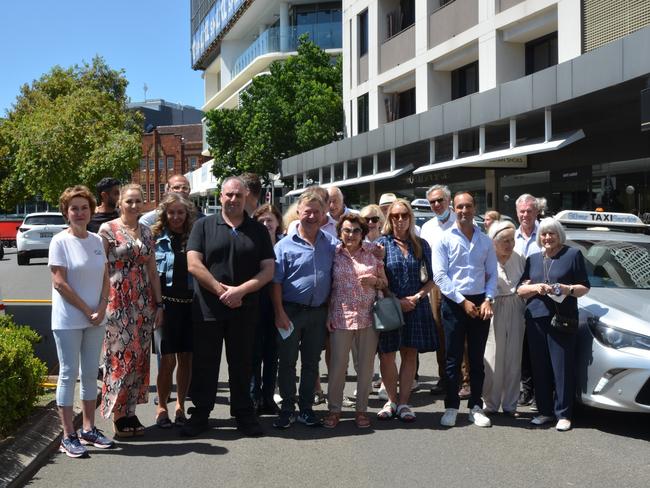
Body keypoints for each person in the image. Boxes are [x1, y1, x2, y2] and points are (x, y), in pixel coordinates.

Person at [183, 176, 275, 437]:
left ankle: (245, 414)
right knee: (205, 364)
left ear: (246, 197)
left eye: (238, 195)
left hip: (244, 309)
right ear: (220, 196)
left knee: (243, 364)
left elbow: (268, 270)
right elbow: (193, 263)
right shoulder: (203, 226)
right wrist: (219, 289)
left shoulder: (257, 230)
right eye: (229, 195)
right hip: (208, 309)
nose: (233, 199)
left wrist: (240, 291)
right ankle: (200, 414)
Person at [50, 185, 114, 457]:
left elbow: (104, 276)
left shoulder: (97, 241)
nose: (79, 212)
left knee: (90, 374)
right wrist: (87, 310)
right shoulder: (59, 241)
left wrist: (101, 307)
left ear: (91, 211)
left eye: (84, 207)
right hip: (68, 320)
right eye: (74, 208)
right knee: (68, 374)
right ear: (66, 212)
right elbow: (59, 282)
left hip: (96, 318)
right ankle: (68, 436)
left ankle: (89, 429)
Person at [98, 184, 163, 437]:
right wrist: (102, 301)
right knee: (119, 359)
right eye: (129, 202)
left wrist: (159, 304)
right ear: (120, 203)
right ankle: (117, 414)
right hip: (117, 301)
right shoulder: (108, 229)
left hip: (143, 303)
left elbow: (153, 272)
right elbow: (101, 268)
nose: (134, 206)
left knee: (138, 359)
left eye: (138, 201)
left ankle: (131, 410)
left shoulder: (147, 232)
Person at [271, 190, 338, 429]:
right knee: (287, 362)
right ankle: (287, 409)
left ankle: (306, 409)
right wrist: (279, 312)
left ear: (323, 215)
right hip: (290, 312)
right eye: (307, 211)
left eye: (316, 212)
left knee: (311, 363)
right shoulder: (283, 246)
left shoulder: (331, 243)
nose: (311, 216)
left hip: (318, 313)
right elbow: (276, 282)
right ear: (298, 212)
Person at [517, 218, 590, 431]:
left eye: (552, 234)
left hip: (562, 319)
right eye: (543, 234)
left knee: (562, 367)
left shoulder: (572, 255)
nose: (547, 238)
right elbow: (520, 290)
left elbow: (584, 287)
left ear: (559, 235)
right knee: (539, 366)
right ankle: (545, 411)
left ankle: (564, 414)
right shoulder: (532, 259)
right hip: (536, 319)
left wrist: (566, 289)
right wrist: (536, 287)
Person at [432, 191, 497, 428]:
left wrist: (488, 299)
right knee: (452, 358)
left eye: (467, 206)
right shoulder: (445, 239)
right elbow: (440, 276)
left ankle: (475, 407)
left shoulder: (485, 241)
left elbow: (492, 274)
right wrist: (462, 301)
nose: (463, 211)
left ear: (474, 208)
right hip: (453, 303)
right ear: (453, 208)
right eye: (459, 207)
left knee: (477, 360)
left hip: (481, 302)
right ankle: (451, 406)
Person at [322, 214, 388, 429]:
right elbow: (327, 287)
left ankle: (361, 410)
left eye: (356, 231)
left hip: (368, 317)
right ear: (340, 232)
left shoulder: (372, 254)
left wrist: (374, 281)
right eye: (347, 230)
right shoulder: (332, 254)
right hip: (340, 317)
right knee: (338, 367)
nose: (351, 235)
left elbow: (384, 283)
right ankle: (334, 410)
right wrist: (328, 314)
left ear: (363, 233)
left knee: (366, 368)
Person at [376, 199, 437, 422]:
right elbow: (379, 280)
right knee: (387, 355)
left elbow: (432, 279)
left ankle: (403, 403)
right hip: (391, 307)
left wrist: (418, 297)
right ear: (389, 219)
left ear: (410, 218)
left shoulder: (421, 245)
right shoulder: (381, 245)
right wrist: (396, 299)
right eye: (395, 216)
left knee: (409, 354)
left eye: (404, 215)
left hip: (416, 306)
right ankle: (391, 401)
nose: (400, 220)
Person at [151, 193, 196, 428]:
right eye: (172, 212)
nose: (176, 217)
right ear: (165, 214)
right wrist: (156, 306)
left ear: (187, 213)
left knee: (186, 359)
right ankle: (161, 406)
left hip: (190, 307)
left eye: (180, 212)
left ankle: (180, 405)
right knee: (167, 361)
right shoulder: (155, 237)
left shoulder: (196, 237)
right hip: (165, 307)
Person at [482, 221, 526, 416]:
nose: (510, 245)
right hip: (495, 306)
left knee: (513, 357)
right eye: (505, 241)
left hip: (516, 305)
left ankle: (510, 404)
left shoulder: (519, 258)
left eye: (512, 240)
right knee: (493, 356)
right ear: (494, 242)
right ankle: (490, 403)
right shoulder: (487, 258)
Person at [420, 184, 457, 396]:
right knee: (441, 333)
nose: (436, 205)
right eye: (432, 202)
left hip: (458, 284)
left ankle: (465, 379)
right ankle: (445, 378)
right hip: (435, 285)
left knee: (460, 334)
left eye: (440, 200)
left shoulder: (460, 222)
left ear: (448, 201)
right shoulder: (427, 227)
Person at [250, 203, 284, 415]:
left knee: (273, 354)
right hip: (255, 304)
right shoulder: (252, 245)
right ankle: (253, 397)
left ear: (278, 222)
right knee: (254, 354)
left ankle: (269, 397)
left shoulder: (285, 244)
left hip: (278, 306)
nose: (266, 224)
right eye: (261, 221)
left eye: (270, 220)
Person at [514, 193, 542, 408]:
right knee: (521, 347)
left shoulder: (547, 234)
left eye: (529, 211)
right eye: (522, 211)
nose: (525, 215)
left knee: (538, 347)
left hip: (540, 298)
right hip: (515, 299)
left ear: (537, 212)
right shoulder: (511, 237)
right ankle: (526, 389)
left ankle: (541, 391)